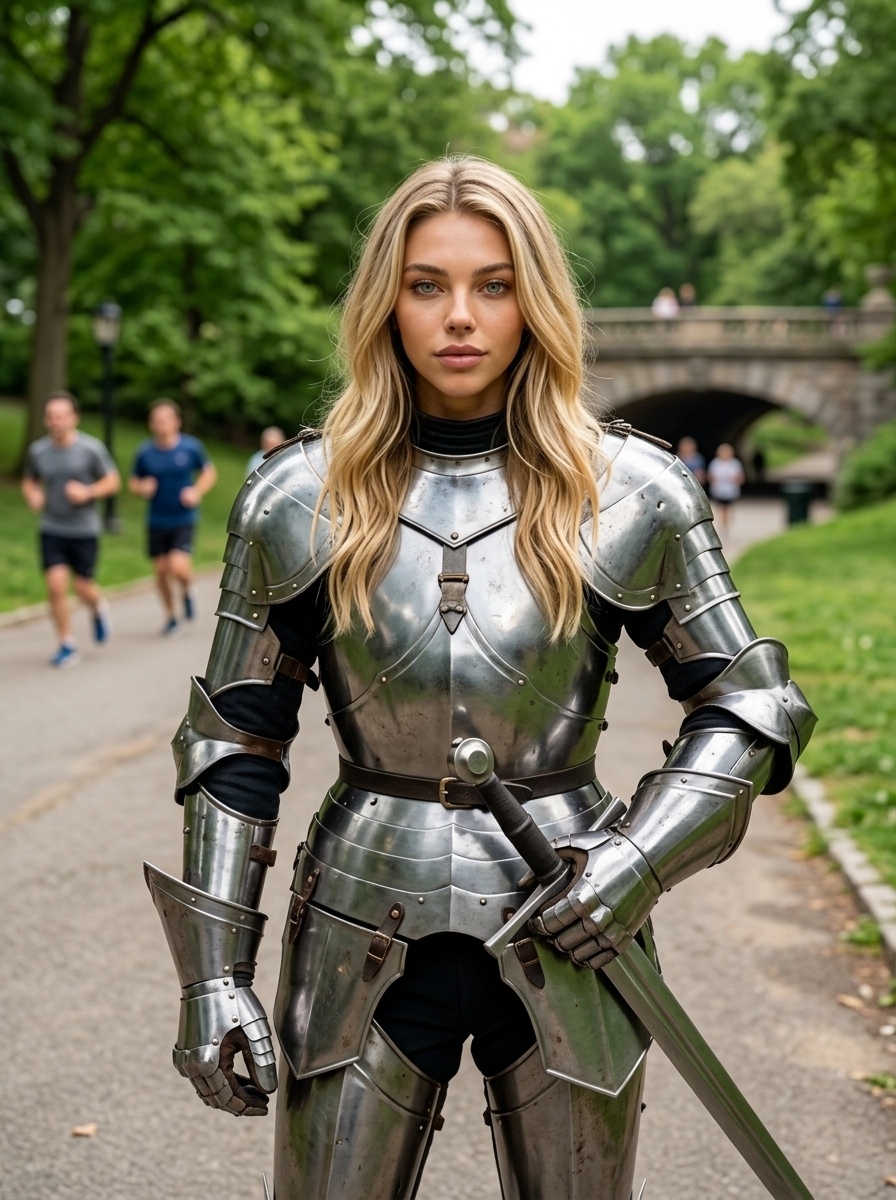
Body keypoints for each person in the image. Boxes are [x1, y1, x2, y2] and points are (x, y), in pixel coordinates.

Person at [145, 158, 815, 1199]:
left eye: (492, 285)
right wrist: (211, 982)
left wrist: (636, 861)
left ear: (533, 299)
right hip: (360, 916)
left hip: (573, 904)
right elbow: (236, 738)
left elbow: (748, 701)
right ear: (386, 301)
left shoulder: (630, 490)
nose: (459, 315)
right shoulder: (295, 495)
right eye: (426, 284)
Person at [22, 392, 119, 668]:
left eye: (62, 416)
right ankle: (66, 643)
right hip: (52, 527)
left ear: (74, 417)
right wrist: (33, 495)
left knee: (82, 587)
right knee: (55, 587)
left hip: (84, 530)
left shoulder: (91, 449)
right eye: (51, 416)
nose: (56, 421)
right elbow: (30, 481)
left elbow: (112, 482)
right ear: (45, 419)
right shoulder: (38, 451)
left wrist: (88, 492)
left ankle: (97, 606)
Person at [129, 399, 217, 636]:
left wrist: (196, 491)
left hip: (183, 517)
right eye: (157, 421)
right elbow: (133, 481)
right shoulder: (145, 452)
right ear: (151, 424)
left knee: (178, 566)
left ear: (176, 422)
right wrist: (142, 487)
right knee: (160, 572)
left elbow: (209, 472)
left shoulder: (190, 448)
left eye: (166, 420)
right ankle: (170, 616)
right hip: (157, 519)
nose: (162, 425)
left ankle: (187, 590)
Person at [707, 442, 746, 533]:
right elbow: (710, 476)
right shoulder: (715, 463)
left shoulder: (735, 464)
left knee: (726, 507)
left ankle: (725, 524)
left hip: (730, 491)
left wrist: (736, 479)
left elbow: (741, 478)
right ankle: (723, 522)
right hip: (718, 490)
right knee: (720, 508)